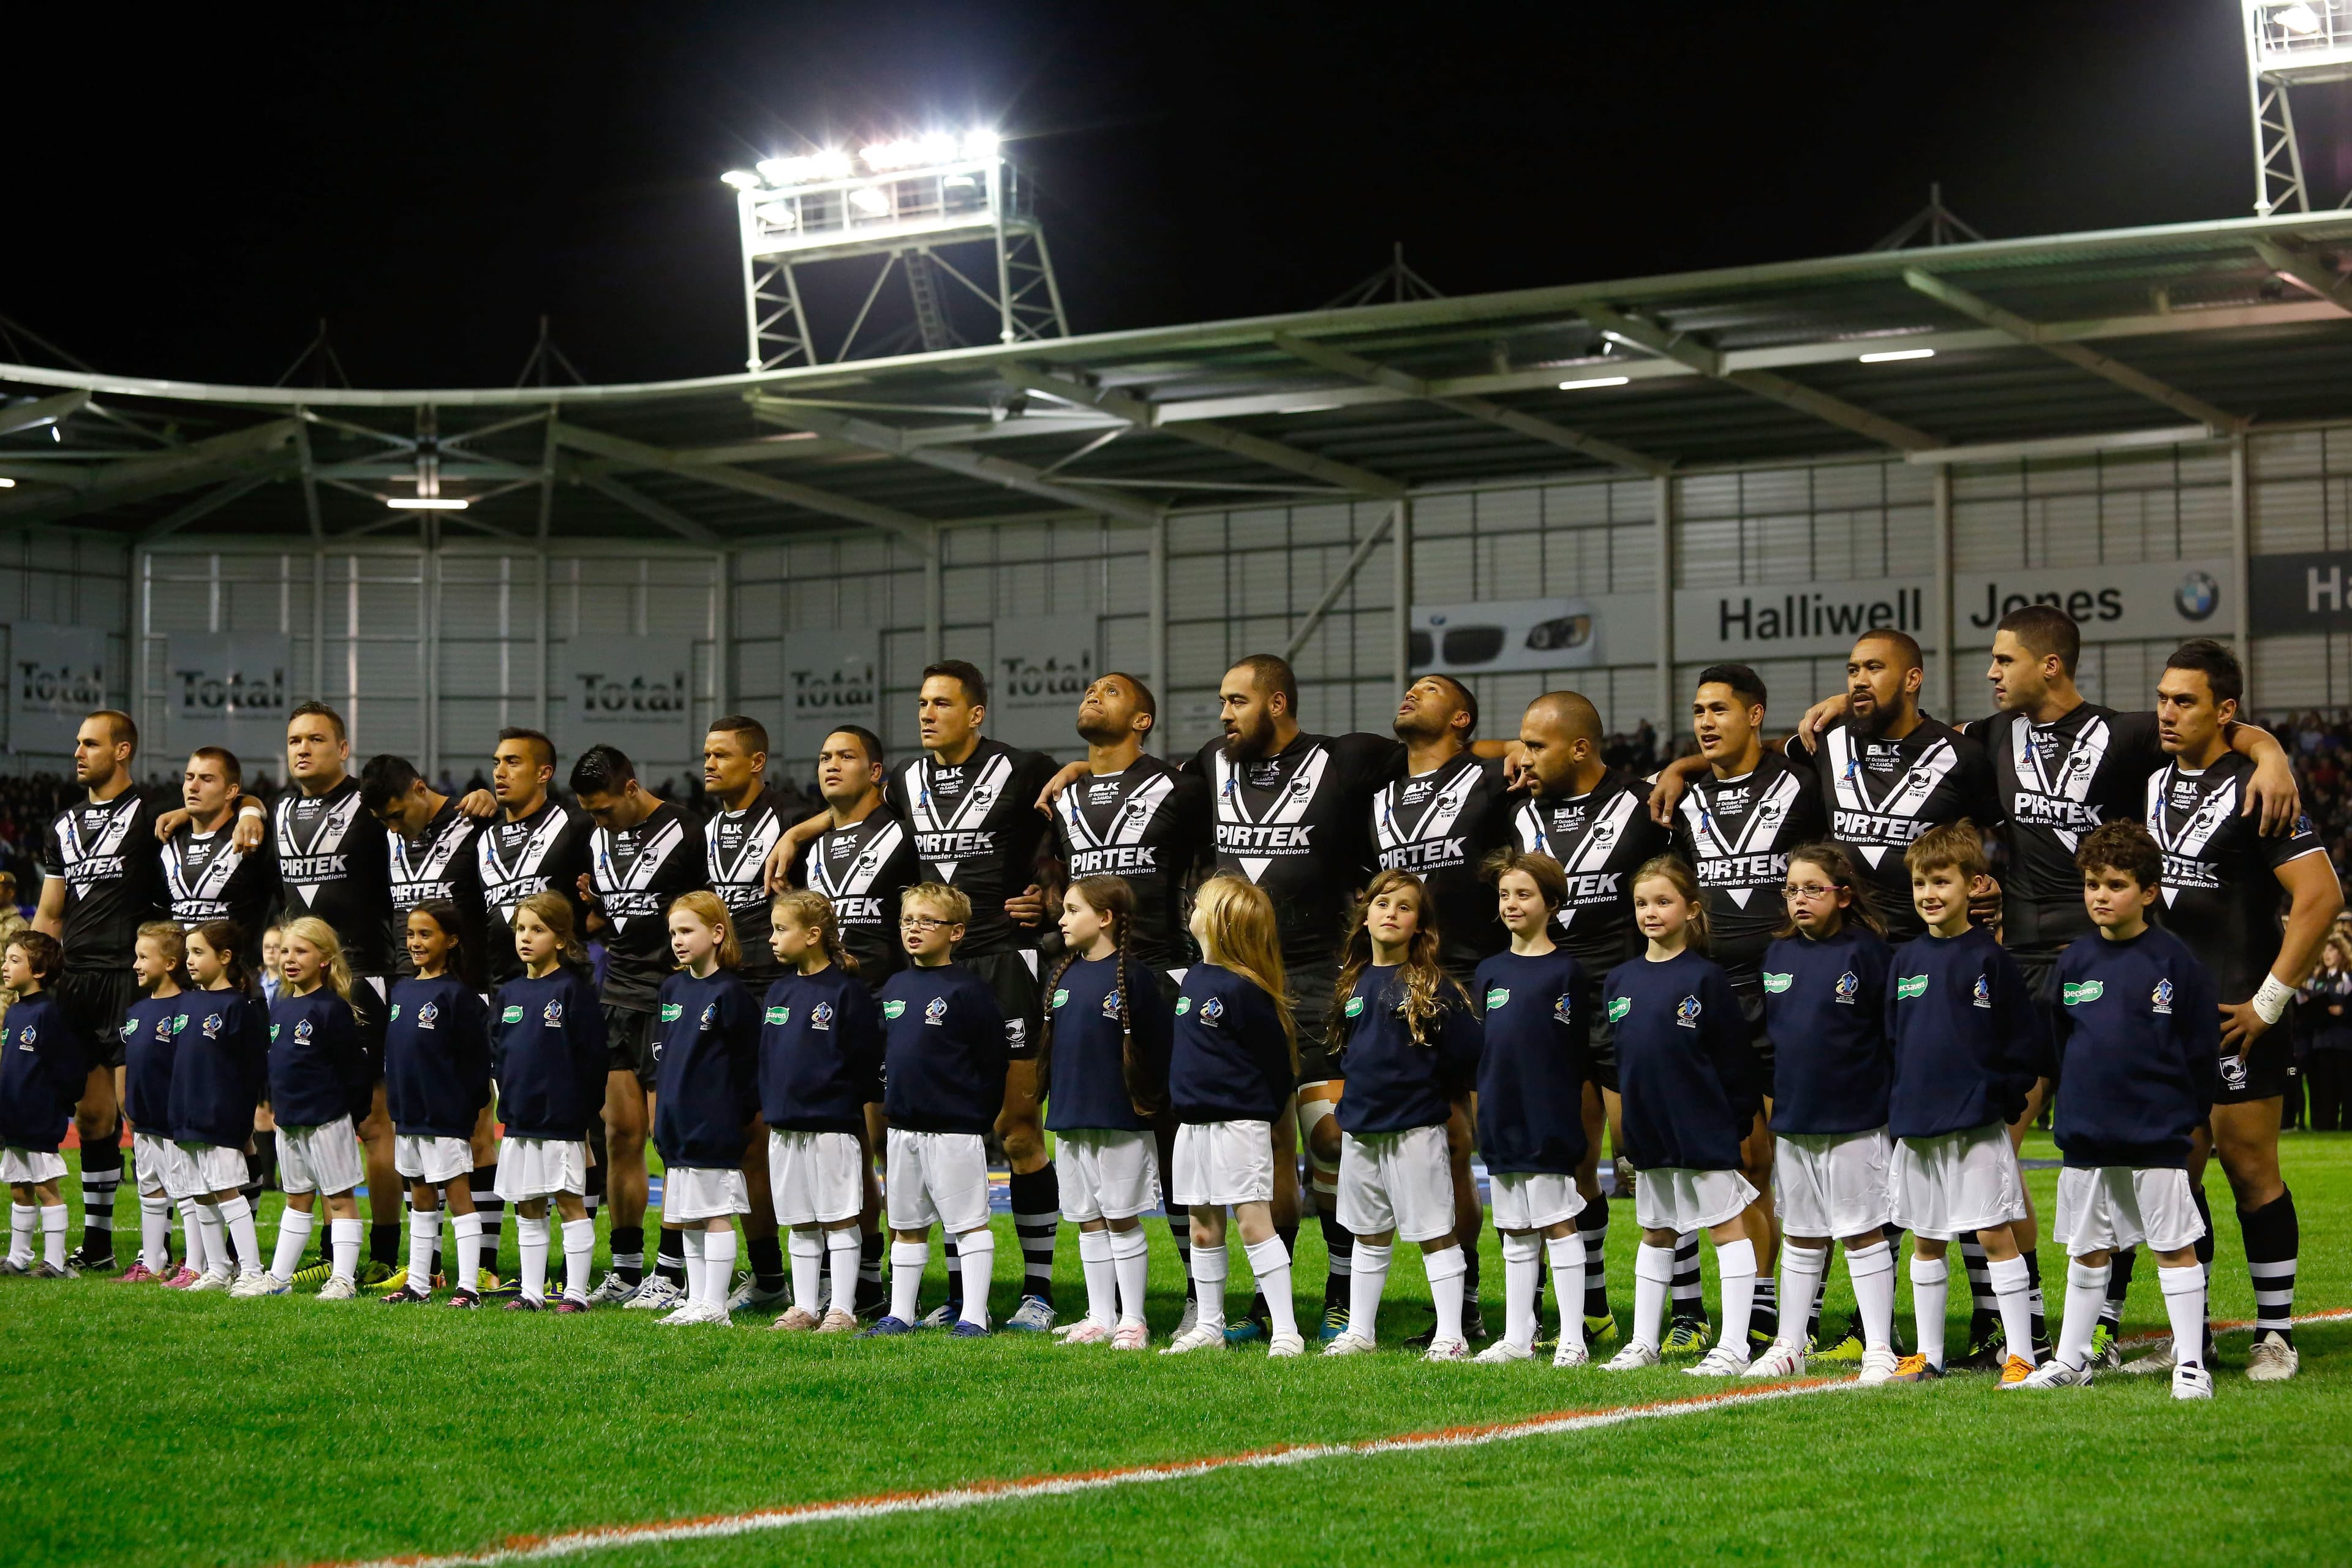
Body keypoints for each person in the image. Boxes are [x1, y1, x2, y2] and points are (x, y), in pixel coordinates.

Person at [2119, 640, 2341, 1382]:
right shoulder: (2151, 780)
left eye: (2184, 701)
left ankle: (2275, 1335)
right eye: (2162, 698)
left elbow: (2321, 899)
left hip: (2237, 1009)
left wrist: (2267, 1004)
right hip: (2165, 1016)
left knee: (2251, 1169)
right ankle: (2196, 1335)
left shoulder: (2259, 787)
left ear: (2225, 711)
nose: (2166, 711)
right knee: (2176, 1175)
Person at [41, 710, 255, 1270]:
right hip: (74, 980)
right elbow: (50, 912)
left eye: (90, 743)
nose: (78, 753)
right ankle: (98, 1246)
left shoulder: (153, 813)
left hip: (130, 979)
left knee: (144, 1114)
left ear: (123, 750)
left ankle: (178, 1248)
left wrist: (252, 808)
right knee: (92, 1117)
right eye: (78, 743)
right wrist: (32, 981)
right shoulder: (62, 824)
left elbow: (228, 800)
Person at [881, 663, 1060, 1330]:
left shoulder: (1025, 768)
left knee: (1017, 1128)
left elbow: (1083, 809)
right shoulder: (905, 779)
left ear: (976, 713)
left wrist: (1050, 892)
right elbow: (860, 817)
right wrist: (798, 831)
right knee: (947, 1131)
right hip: (939, 972)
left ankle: (1037, 1291)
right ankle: (961, 1298)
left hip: (1005, 963)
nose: (927, 714)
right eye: (922, 703)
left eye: (942, 703)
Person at [2016, 821, 2216, 1400]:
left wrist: (2179, 1114)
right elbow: (2061, 1043)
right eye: (2092, 884)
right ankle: (2073, 1359)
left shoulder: (2175, 962)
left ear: (2149, 892)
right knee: (2086, 1248)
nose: (2100, 896)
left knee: (2172, 1246)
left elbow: (2200, 1051)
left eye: (2115, 885)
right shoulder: (2075, 961)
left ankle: (2190, 1364)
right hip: (2087, 1133)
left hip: (2156, 1134)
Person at [1664, 665, 1829, 1357]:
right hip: (1716, 996)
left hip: (1791, 989)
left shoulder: (1804, 784)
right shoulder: (1686, 800)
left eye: (1720, 710)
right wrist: (1679, 768)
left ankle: (1803, 1313)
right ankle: (1757, 1305)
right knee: (1739, 1157)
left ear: (1755, 715)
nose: (1706, 722)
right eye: (1699, 711)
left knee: (1804, 1160)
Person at [1041, 675, 1207, 1332]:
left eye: (1109, 691)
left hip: (1161, 975)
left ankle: (1199, 1297)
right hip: (1089, 978)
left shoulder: (1181, 787)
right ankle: (1106, 1311)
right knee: (1093, 1135)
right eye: (1089, 688)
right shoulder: (1065, 796)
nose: (1092, 694)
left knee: (1173, 1143)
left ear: (1143, 720)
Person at [1512, 688, 1673, 1352]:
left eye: (1535, 745)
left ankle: (1686, 1311)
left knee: (1647, 1155)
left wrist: (1684, 766)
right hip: (1549, 1006)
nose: (1523, 756)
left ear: (1580, 748)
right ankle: (1592, 1307)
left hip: (1625, 1002)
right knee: (1568, 1162)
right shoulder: (1518, 811)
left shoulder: (1648, 804)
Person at [1368, 675, 1518, 1346]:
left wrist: (1517, 749)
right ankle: (1465, 1305)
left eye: (1427, 690)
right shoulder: (1378, 793)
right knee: (1448, 1149)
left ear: (1461, 717)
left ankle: (1535, 1305)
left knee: (1502, 1145)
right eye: (1408, 687)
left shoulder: (1492, 779)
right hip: (1403, 986)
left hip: (1477, 980)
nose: (1409, 693)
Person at [1882, 822, 2045, 1384]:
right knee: (1926, 1240)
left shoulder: (1990, 959)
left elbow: (2024, 1044)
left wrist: (1996, 1099)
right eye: (1920, 883)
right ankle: (1929, 1355)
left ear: (1973, 885)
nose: (1929, 894)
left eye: (1941, 882)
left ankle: (2021, 1354)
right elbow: (1892, 1042)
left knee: (1995, 1235)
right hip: (1918, 1126)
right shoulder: (1904, 961)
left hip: (1976, 1126)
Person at [1597, 857, 1762, 1375]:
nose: (1651, 912)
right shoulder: (1619, 981)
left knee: (1726, 1229)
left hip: (1702, 1129)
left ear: (1691, 910)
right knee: (1656, 1231)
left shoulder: (1706, 979)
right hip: (1650, 1133)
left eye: (1663, 902)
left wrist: (1733, 1124)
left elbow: (1736, 1062)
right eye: (1642, 903)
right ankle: (1643, 1342)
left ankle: (1734, 1346)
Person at [1746, 843, 1902, 1385]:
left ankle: (1879, 1347)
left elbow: (1893, 1037)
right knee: (1802, 1233)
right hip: (1795, 1119)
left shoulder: (1871, 954)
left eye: (1813, 889)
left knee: (1862, 1231)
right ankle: (1790, 1346)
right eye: (1792, 890)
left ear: (1844, 896)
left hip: (1857, 1118)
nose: (1800, 899)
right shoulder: (1777, 955)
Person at [1321, 870, 1483, 1361]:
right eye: (1382, 904)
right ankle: (1361, 1332)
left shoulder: (1435, 987)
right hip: (1361, 1130)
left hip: (1415, 1129)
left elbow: (1465, 1056)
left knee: (1435, 1232)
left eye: (1404, 907)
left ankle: (1451, 1335)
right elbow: (1346, 1055)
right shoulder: (1351, 984)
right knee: (1368, 1233)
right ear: (1365, 916)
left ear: (1420, 926)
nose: (1391, 913)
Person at [571, 743, 706, 1308]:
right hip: (615, 996)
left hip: (666, 999)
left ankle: (672, 1272)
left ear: (631, 788)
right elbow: (613, 916)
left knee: (667, 1139)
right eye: (590, 813)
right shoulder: (598, 838)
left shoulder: (688, 831)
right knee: (619, 1137)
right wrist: (596, 907)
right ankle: (626, 1269)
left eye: (604, 809)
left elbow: (706, 911)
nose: (598, 821)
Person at [363, 755, 503, 1294]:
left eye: (398, 814)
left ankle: (482, 1264)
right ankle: (430, 1269)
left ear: (421, 789)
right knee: (415, 1139)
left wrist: (493, 803)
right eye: (386, 821)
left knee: (475, 1132)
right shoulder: (391, 835)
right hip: (409, 990)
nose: (394, 827)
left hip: (467, 990)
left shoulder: (475, 821)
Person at [1161, 876, 1302, 1357]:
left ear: (1221, 922)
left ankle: (1286, 1331)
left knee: (1253, 1223)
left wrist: (1256, 1111)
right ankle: (1209, 1326)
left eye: (1199, 903)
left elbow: (1276, 1066)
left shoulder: (1246, 989)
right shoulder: (1193, 978)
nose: (1191, 908)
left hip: (1239, 1126)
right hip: (1193, 1126)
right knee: (1202, 1227)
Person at [864, 882, 1011, 1338]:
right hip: (903, 1127)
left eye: (928, 921)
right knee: (906, 1224)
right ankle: (901, 1314)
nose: (914, 928)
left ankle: (973, 1316)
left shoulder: (970, 990)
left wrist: (975, 1116)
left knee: (968, 1224)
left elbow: (993, 1062)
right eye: (908, 920)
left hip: (954, 1129)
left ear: (956, 932)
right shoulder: (895, 986)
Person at [1469, 848, 1591, 1367]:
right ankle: (1518, 1337)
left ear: (1552, 903)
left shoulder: (1568, 972)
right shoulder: (1489, 971)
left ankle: (1573, 1339)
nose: (1511, 904)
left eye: (1524, 894)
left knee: (1557, 1223)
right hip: (1501, 1117)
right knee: (1515, 1228)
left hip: (1547, 1118)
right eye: (1504, 895)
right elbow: (1483, 1050)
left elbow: (1576, 1053)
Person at [1042, 875, 1174, 1348]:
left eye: (1072, 910)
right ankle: (1100, 1316)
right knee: (1087, 1219)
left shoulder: (1136, 978)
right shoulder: (1061, 976)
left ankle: (1133, 1320)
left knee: (1121, 1217)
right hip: (1070, 1116)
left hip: (1120, 1119)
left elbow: (1158, 1049)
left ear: (1105, 918)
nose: (1062, 920)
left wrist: (1145, 1104)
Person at [699, 716, 794, 1316]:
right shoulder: (706, 828)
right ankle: (768, 1277)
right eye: (706, 754)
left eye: (722, 755)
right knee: (743, 1143)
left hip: (781, 994)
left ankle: (852, 1279)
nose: (709, 764)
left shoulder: (792, 819)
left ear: (756, 761)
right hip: (728, 995)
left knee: (811, 1140)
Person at [757, 889, 882, 1334]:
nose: (772, 938)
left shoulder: (847, 992)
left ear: (812, 935)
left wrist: (837, 1098)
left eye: (781, 929)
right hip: (785, 1124)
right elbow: (767, 1057)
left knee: (839, 1216)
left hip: (832, 1124)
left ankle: (843, 1309)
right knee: (799, 1220)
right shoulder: (779, 990)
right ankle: (804, 1307)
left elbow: (865, 1060)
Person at [239, 916, 371, 1299]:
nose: (290, 959)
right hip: (289, 1120)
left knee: (339, 1199)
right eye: (285, 951)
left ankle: (343, 1280)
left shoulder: (332, 1009)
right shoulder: (280, 1005)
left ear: (325, 958)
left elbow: (354, 1072)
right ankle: (279, 1279)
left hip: (327, 1119)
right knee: (297, 1199)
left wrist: (351, 1115)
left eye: (301, 951)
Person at [489, 892, 606, 1313]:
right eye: (520, 929)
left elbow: (594, 1058)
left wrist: (581, 1115)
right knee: (528, 1205)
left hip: (561, 1120)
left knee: (569, 1202)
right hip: (520, 1120)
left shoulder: (573, 991)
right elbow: (499, 1055)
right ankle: (532, 1292)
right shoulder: (509, 993)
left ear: (560, 939)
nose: (525, 937)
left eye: (537, 930)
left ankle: (575, 1294)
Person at [647, 891, 760, 1327]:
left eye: (687, 931)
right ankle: (696, 1300)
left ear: (716, 934)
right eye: (673, 932)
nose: (678, 940)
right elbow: (664, 1057)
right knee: (689, 1217)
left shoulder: (731, 992)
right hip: (677, 1123)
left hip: (714, 1123)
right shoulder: (672, 988)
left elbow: (749, 1064)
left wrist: (733, 1113)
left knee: (715, 1213)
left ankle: (715, 1305)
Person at [377, 902, 491, 1306]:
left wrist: (466, 1108)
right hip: (408, 1115)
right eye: (411, 934)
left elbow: (477, 1061)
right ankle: (418, 1285)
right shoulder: (402, 990)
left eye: (425, 934)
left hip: (444, 1116)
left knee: (458, 1197)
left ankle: (469, 1288)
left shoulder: (459, 996)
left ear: (452, 940)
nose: (415, 942)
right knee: (421, 1198)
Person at [172, 921, 270, 1291]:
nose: (190, 960)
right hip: (186, 1115)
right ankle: (217, 1269)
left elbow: (252, 1069)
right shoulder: (187, 1002)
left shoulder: (238, 1006)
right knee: (200, 1194)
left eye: (199, 953)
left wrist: (239, 1116)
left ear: (225, 957)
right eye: (188, 953)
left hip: (220, 1118)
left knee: (228, 1192)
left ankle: (252, 1271)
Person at [0, 930, 86, 1277]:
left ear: (38, 971)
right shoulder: (14, 1012)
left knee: (44, 1188)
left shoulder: (49, 1014)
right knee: (19, 1189)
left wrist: (57, 1105)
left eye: (14, 960)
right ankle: (18, 1258)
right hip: (13, 1118)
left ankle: (55, 1262)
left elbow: (68, 1068)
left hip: (38, 1117)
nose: (5, 966)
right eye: (6, 959)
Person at [118, 921, 195, 1281]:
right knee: (149, 1188)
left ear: (170, 964)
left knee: (187, 1191)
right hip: (144, 1119)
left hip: (174, 1120)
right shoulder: (136, 1012)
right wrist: (128, 1104)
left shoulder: (187, 1009)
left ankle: (196, 1264)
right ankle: (152, 1263)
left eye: (143, 957)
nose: (136, 965)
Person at [162, 747, 274, 940]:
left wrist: (250, 812)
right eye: (189, 778)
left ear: (231, 791)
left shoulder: (248, 834)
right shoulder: (168, 838)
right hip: (180, 959)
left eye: (207, 779)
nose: (193, 787)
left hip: (238, 958)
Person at [2301, 935, 2352, 1131]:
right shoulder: (2316, 979)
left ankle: (2348, 1123)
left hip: (2345, 1040)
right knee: (2324, 1085)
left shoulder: (2348, 978)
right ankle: (2325, 1123)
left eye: (2331, 950)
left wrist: (2344, 1011)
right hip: (2321, 1040)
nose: (2326, 954)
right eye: (2324, 950)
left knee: (2347, 1084)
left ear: (2342, 952)